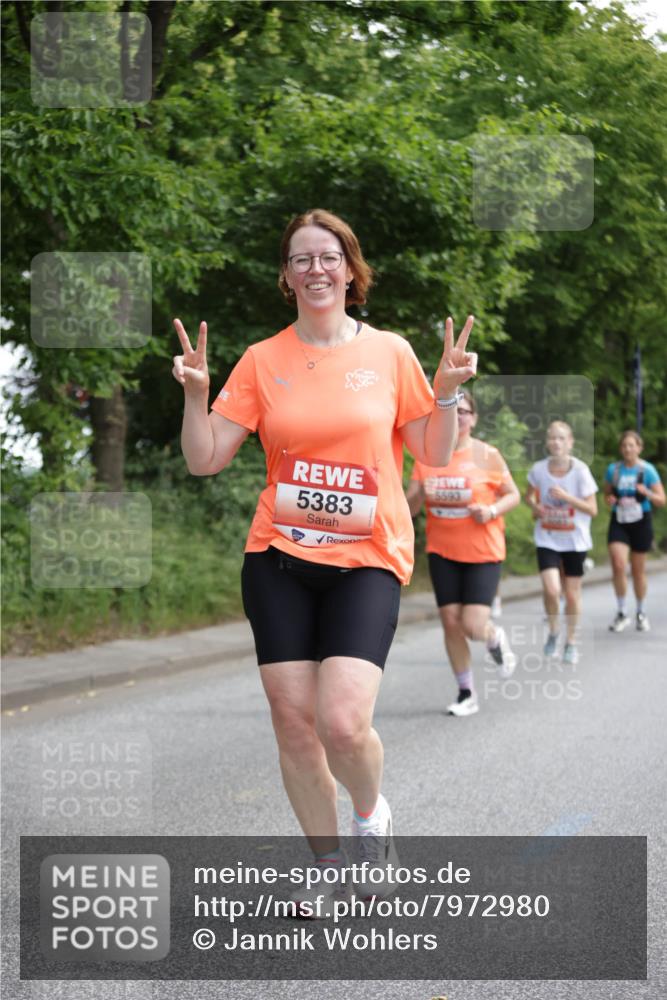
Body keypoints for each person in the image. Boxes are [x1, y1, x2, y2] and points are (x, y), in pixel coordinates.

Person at [172, 208, 478, 909]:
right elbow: (204, 459)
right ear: (286, 275)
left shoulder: (391, 353)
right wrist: (194, 395)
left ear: (350, 269)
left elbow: (432, 453)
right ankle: (327, 863)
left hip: (367, 557)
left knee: (341, 723)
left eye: (328, 256)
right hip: (277, 555)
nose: (315, 268)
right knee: (292, 722)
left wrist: (446, 390)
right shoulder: (261, 360)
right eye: (301, 258)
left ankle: (371, 816)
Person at [406, 389, 520, 718]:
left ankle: (495, 637)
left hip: (483, 551)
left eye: (464, 412)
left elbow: (512, 495)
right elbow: (410, 509)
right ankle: (466, 691)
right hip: (442, 551)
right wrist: (420, 494)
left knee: (472, 625)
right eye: (453, 411)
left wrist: (492, 509)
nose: (458, 417)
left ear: (474, 418)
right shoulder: (428, 456)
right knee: (450, 622)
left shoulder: (488, 455)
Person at [525, 421, 598, 664]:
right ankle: (554, 631)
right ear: (547, 442)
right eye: (552, 438)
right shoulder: (538, 470)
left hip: (574, 541)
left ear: (570, 443)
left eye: (561, 438)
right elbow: (528, 496)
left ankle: (571, 642)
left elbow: (592, 509)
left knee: (572, 594)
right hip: (547, 537)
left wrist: (567, 497)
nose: (556, 442)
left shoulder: (580, 471)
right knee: (552, 589)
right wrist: (536, 508)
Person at [604, 430, 665, 632]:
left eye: (632, 445)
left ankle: (640, 611)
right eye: (624, 446)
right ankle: (622, 611)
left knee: (638, 571)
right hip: (619, 521)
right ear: (621, 449)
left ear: (639, 447)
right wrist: (610, 500)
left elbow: (661, 500)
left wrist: (646, 492)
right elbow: (607, 495)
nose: (628, 449)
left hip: (641, 521)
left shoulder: (647, 471)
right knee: (619, 564)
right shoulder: (613, 470)